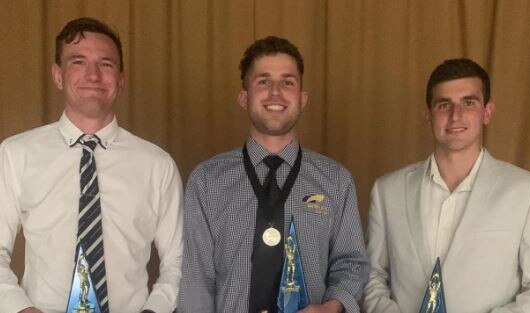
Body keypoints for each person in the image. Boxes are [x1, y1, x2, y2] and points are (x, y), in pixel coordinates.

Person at [0, 17, 183, 313]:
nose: (93, 75)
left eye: (106, 64)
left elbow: (179, 260)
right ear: (58, 76)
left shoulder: (157, 165)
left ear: (121, 81)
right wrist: (20, 309)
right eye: (78, 62)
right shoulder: (14, 154)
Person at [178, 36, 369, 313]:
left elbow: (351, 262)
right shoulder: (207, 181)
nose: (276, 92)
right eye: (263, 81)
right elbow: (196, 280)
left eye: (288, 82)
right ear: (244, 98)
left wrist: (332, 306)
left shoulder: (336, 180)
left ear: (302, 99)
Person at [363, 58, 530, 312]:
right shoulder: (386, 191)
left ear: (487, 112)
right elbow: (371, 277)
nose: (456, 115)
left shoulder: (528, 191)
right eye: (444, 105)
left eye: (469, 102)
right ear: (428, 115)